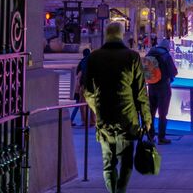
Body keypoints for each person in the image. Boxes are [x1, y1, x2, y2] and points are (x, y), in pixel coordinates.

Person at [80, 22, 152, 193]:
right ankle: (120, 191)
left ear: (106, 35)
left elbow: (88, 91)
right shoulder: (132, 57)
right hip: (128, 118)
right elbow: (141, 93)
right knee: (126, 162)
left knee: (108, 163)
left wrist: (98, 109)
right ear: (122, 35)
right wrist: (147, 119)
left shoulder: (94, 57)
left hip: (105, 117)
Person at [145, 37, 179, 144]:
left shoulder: (150, 52)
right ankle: (161, 137)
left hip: (151, 87)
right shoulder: (165, 55)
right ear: (167, 47)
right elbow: (173, 72)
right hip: (163, 87)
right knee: (162, 114)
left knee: (151, 112)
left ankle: (150, 136)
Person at [69, 47, 91, 126]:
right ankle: (92, 121)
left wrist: (77, 90)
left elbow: (78, 76)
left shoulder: (82, 62)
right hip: (92, 86)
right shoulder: (93, 61)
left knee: (80, 104)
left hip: (83, 86)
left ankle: (84, 121)